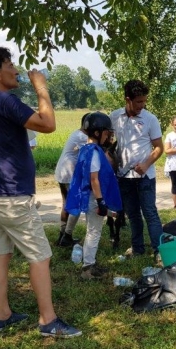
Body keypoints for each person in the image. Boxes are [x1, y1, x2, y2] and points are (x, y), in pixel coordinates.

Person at [0, 45, 81, 338]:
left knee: (0, 253)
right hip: (12, 195)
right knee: (40, 256)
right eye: (10, 65)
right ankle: (48, 321)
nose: (16, 70)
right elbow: (49, 124)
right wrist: (41, 88)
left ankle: (2, 314)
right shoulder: (6, 100)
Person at [110, 79, 164, 262]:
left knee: (150, 213)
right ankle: (137, 248)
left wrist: (146, 164)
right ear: (128, 99)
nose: (142, 105)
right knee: (132, 214)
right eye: (139, 101)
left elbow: (158, 148)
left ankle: (159, 251)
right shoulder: (115, 117)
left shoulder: (150, 119)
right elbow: (110, 144)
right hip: (124, 176)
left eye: (144, 101)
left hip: (145, 176)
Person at [65, 112, 122, 280]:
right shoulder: (95, 152)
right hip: (94, 197)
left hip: (89, 196)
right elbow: (94, 179)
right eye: (107, 133)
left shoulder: (85, 149)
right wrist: (101, 201)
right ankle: (88, 268)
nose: (108, 136)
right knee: (94, 232)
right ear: (97, 132)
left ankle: (90, 262)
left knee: (92, 231)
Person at [54, 115, 88, 247]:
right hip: (68, 173)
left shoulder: (77, 133)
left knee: (66, 204)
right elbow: (97, 147)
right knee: (75, 205)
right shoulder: (82, 137)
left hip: (63, 171)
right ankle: (67, 236)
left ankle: (62, 236)